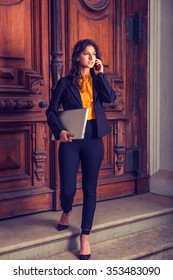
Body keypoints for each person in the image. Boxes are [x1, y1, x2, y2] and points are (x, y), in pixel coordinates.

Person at [46, 39, 116, 260]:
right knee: (67, 189)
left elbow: (111, 99)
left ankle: (85, 236)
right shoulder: (64, 83)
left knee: (90, 189)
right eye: (87, 53)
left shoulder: (97, 81)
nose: (91, 57)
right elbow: (51, 111)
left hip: (94, 138)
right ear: (77, 57)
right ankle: (66, 210)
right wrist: (60, 132)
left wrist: (100, 74)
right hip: (71, 138)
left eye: (94, 53)